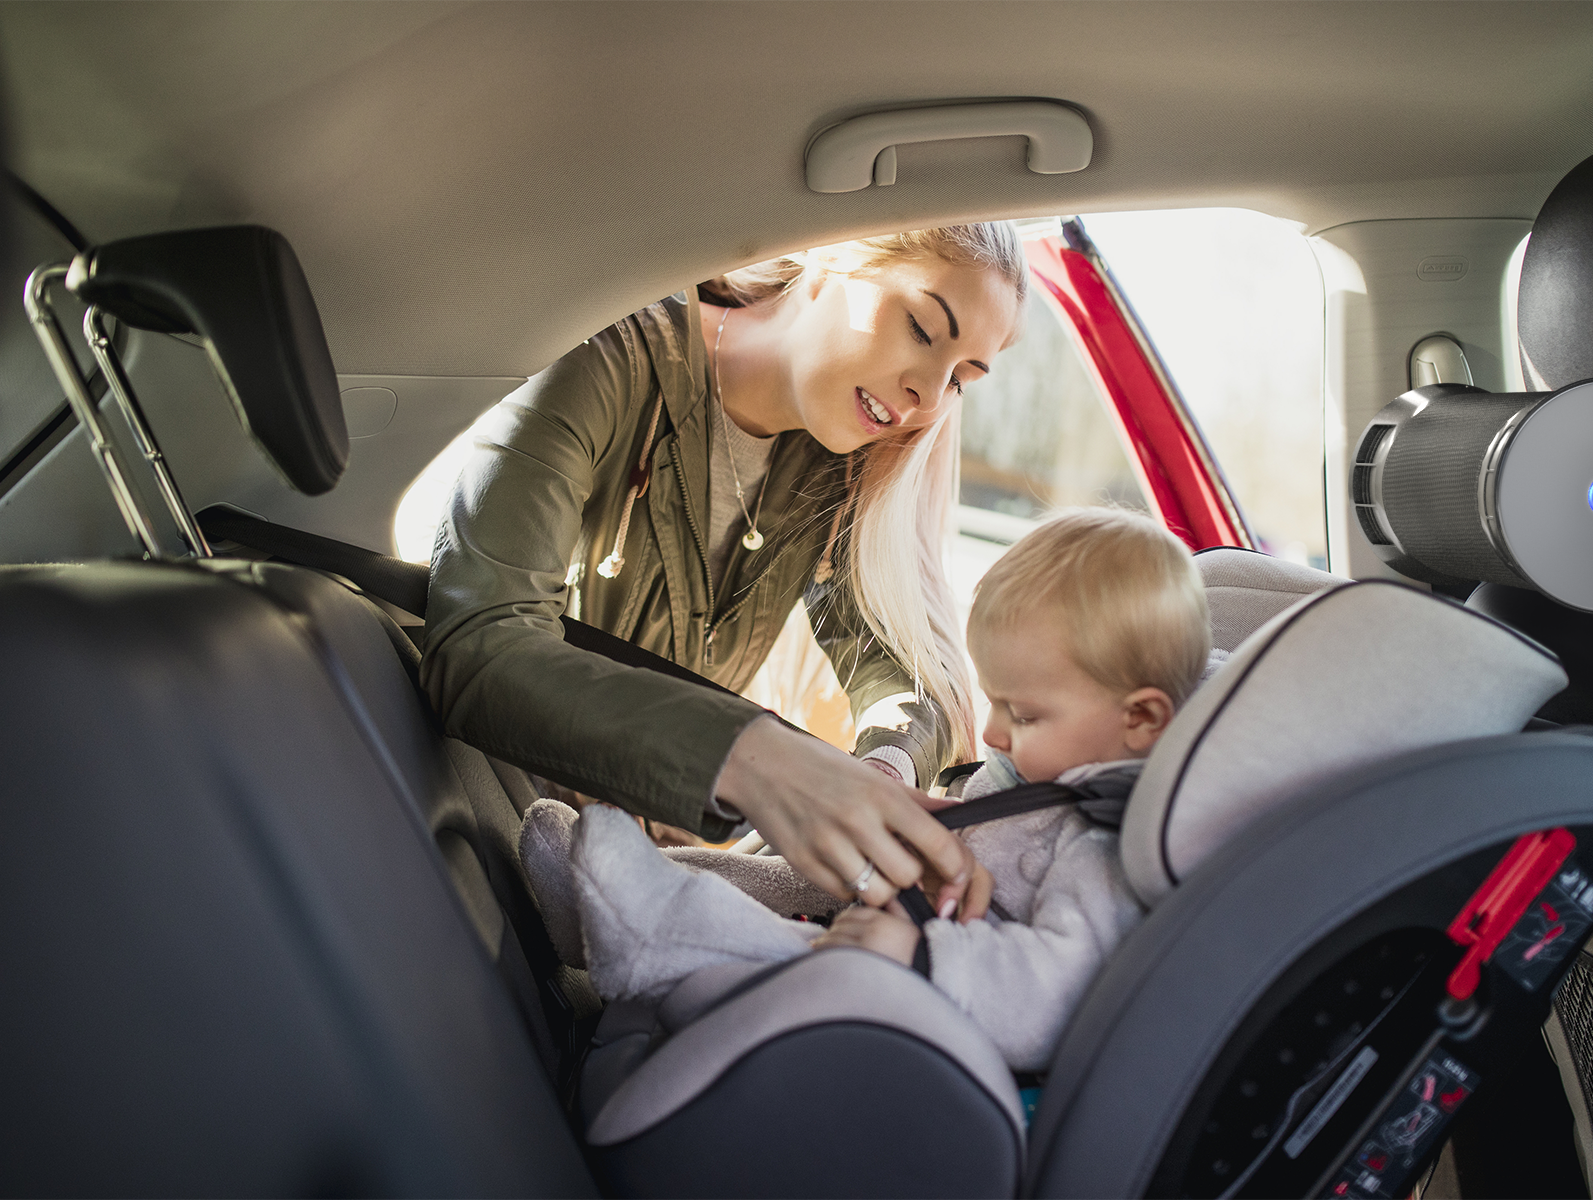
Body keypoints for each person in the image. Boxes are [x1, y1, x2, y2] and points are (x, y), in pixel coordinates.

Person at [422, 227, 1027, 910]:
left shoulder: (840, 460)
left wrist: (883, 770)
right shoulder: (609, 359)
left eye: (961, 379)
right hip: (495, 833)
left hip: (635, 869)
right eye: (921, 327)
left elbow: (898, 669)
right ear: (833, 255)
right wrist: (752, 759)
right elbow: (479, 646)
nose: (927, 392)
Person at [521, 508, 1213, 1070]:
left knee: (789, 947)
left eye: (1025, 715)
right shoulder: (1055, 770)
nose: (994, 734)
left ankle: (640, 923)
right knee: (798, 874)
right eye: (994, 702)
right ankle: (604, 892)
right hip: (913, 909)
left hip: (917, 1000)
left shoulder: (1107, 847)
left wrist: (916, 956)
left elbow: (1052, 999)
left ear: (1142, 719)